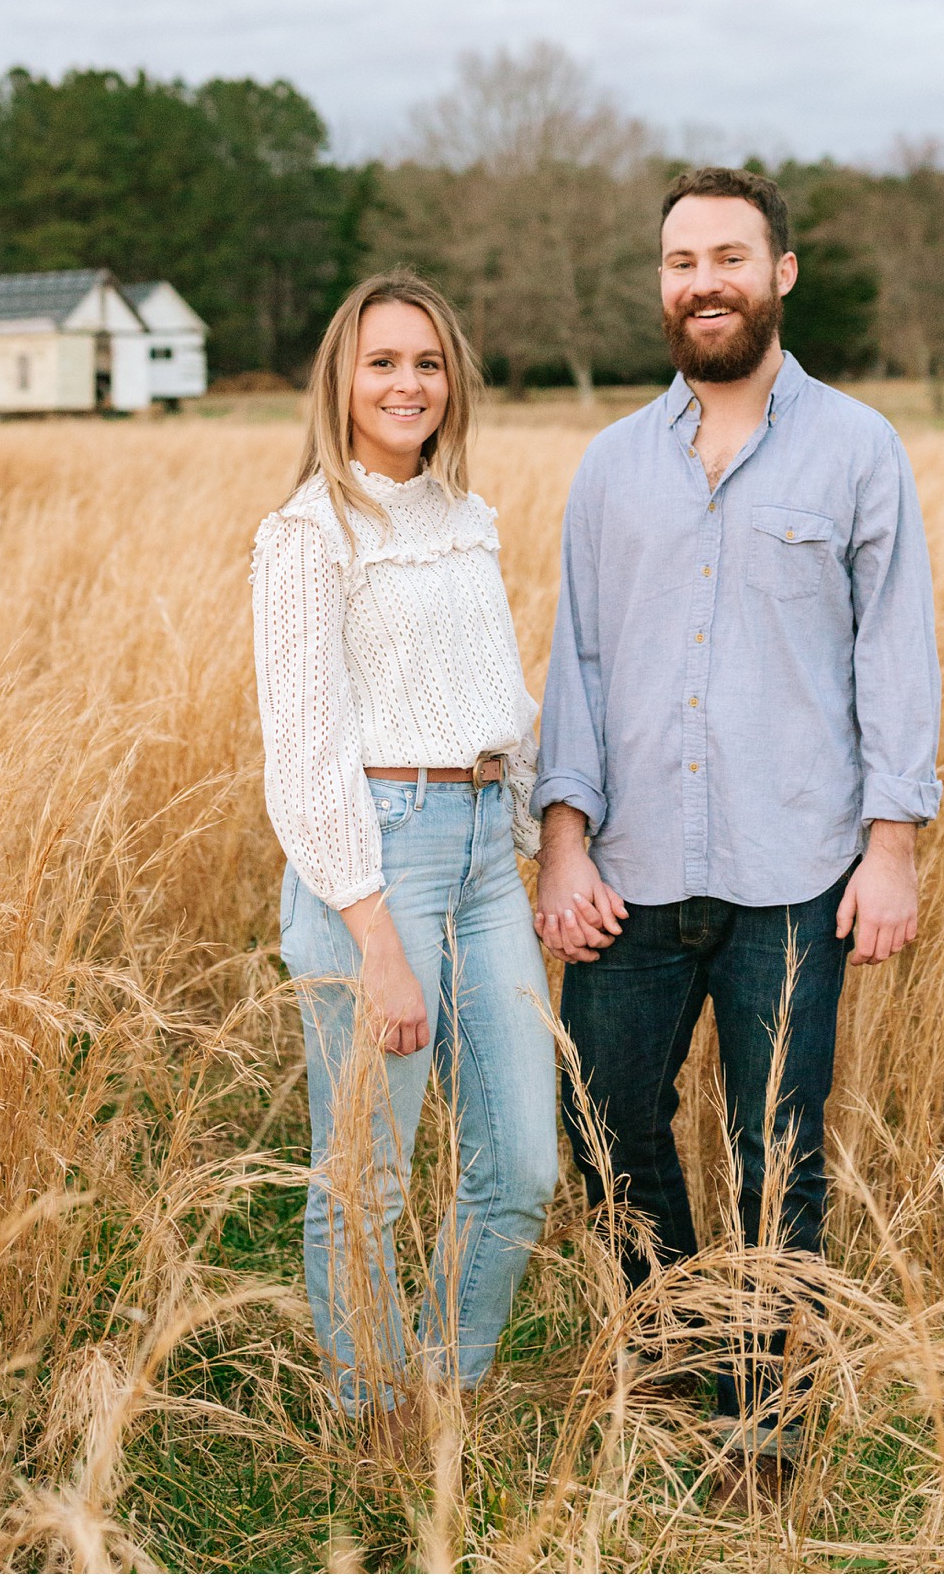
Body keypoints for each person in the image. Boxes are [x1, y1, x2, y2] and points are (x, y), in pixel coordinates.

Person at [533, 167, 941, 1479]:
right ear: (662, 284)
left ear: (782, 273)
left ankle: (766, 1432)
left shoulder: (858, 449)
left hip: (795, 875)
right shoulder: (609, 467)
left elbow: (895, 654)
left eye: (728, 255)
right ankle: (670, 1364)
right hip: (628, 872)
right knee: (605, 1121)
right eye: (678, 261)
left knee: (781, 1155)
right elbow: (578, 661)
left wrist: (894, 845)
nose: (701, 280)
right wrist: (563, 833)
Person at [251, 267, 558, 1444]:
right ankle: (371, 1417)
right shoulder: (306, 536)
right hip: (374, 859)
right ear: (341, 378)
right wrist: (374, 933)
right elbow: (304, 751)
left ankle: (443, 1384)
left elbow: (500, 700)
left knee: (523, 1161)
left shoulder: (464, 517)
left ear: (452, 382)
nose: (407, 382)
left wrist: (542, 840)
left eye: (427, 362)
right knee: (368, 1175)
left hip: (486, 860)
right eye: (382, 361)